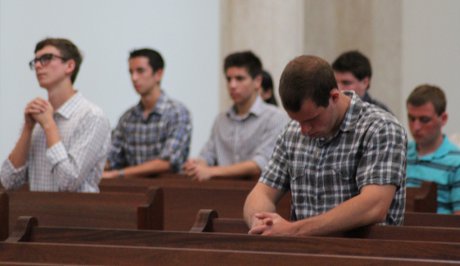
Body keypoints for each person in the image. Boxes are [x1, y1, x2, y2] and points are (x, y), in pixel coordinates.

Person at [243, 55, 407, 236]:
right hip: (302, 255)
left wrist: (294, 230)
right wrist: (259, 221)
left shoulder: (380, 128)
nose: (304, 130)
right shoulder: (292, 132)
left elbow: (374, 206)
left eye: (312, 119)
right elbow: (262, 193)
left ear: (334, 96)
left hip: (365, 256)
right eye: (297, 121)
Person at [0, 38, 111, 192]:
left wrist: (49, 125)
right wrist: (28, 128)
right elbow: (8, 181)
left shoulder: (92, 116)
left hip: (75, 214)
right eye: (36, 61)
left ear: (70, 66)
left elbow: (68, 182)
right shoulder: (37, 116)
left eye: (46, 59)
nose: (38, 65)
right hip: (35, 213)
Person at [183, 51, 288, 181]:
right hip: (222, 192)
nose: (232, 85)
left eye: (239, 79)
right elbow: (208, 154)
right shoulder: (221, 119)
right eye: (228, 79)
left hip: (258, 193)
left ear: (257, 81)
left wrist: (212, 171)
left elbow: (259, 164)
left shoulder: (275, 118)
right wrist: (196, 164)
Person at [103, 48, 192, 179]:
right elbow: (112, 158)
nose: (134, 78)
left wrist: (119, 174)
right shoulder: (127, 118)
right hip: (133, 192)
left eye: (140, 71)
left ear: (158, 74)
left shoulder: (177, 112)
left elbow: (168, 162)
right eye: (131, 72)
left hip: (169, 192)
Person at [406, 84, 460, 214]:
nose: (416, 127)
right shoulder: (400, 153)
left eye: (424, 120)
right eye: (411, 118)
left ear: (443, 118)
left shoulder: (456, 161)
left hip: (437, 232)